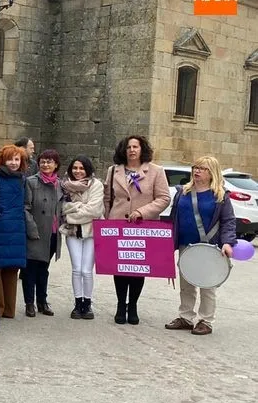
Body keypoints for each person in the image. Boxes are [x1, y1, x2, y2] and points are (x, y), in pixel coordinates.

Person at [164, 156, 236, 336]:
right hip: (185, 245)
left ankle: (206, 320)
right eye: (195, 167)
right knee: (186, 283)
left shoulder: (220, 195)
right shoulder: (183, 192)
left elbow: (228, 221)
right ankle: (186, 317)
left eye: (202, 168)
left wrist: (227, 242)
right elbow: (174, 218)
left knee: (207, 285)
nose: (196, 171)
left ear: (212, 173)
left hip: (209, 247)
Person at [104, 135, 169, 325]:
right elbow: (108, 198)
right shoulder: (113, 171)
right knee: (120, 267)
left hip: (143, 226)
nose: (132, 150)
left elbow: (164, 198)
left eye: (136, 147)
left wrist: (142, 211)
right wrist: (108, 221)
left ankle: (132, 305)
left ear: (142, 150)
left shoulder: (156, 171)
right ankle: (120, 305)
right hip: (118, 225)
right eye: (128, 147)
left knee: (137, 268)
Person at [0, 145, 29, 319]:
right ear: (2, 160)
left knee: (11, 269)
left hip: (16, 228)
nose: (14, 163)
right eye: (10, 159)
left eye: (17, 159)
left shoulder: (21, 179)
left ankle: (9, 309)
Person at [60, 156, 104, 320]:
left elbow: (95, 210)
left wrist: (72, 212)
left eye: (82, 168)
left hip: (91, 232)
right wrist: (77, 208)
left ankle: (88, 303)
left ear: (88, 169)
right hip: (73, 232)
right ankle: (78, 303)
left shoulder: (96, 185)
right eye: (75, 168)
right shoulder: (64, 186)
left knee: (87, 270)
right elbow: (63, 208)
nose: (78, 171)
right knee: (76, 269)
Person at [22, 150, 63, 318]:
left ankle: (42, 301)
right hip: (36, 232)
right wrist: (32, 229)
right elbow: (25, 208)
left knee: (44, 269)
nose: (46, 164)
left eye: (50, 162)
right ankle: (29, 303)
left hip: (53, 233)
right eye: (43, 161)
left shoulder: (60, 184)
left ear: (56, 165)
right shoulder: (31, 182)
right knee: (30, 269)